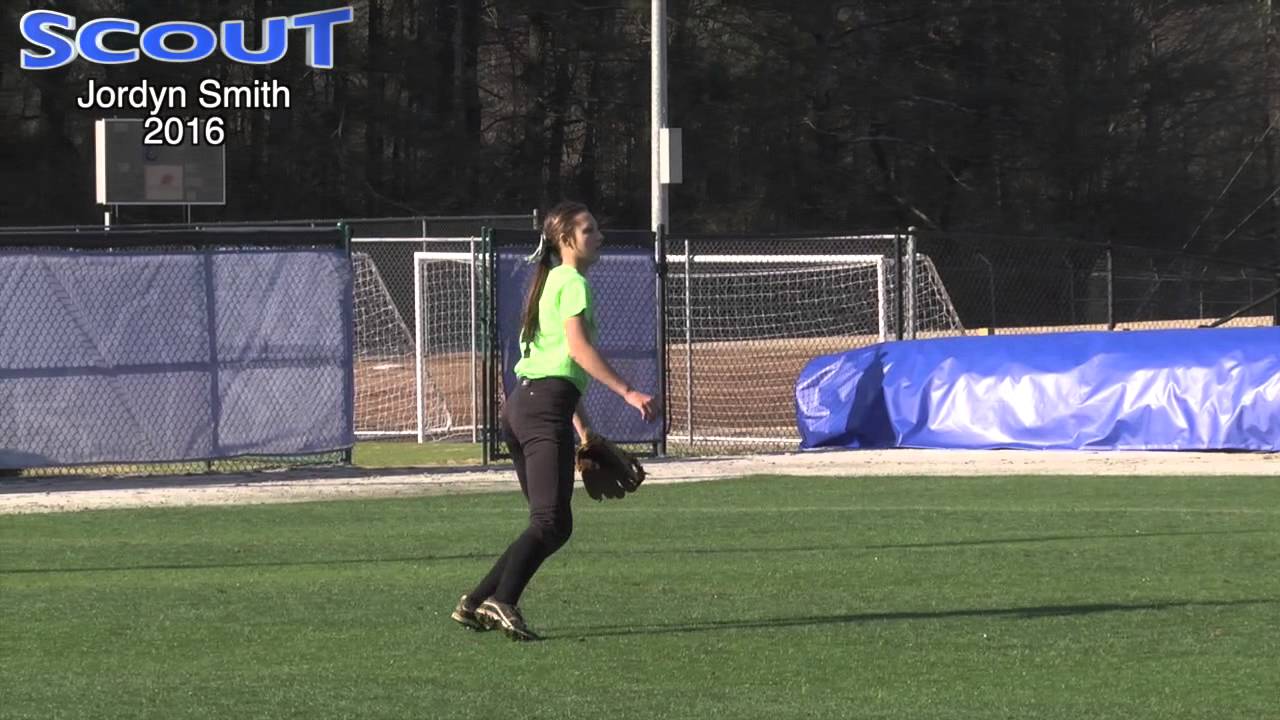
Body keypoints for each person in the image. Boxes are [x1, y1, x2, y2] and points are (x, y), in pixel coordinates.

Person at [451, 200, 657, 641]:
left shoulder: (550, 282)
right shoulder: (573, 282)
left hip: (526, 407)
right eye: (588, 231)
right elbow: (579, 352)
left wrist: (584, 433)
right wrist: (628, 392)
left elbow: (557, 365)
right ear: (566, 241)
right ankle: (502, 601)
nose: (598, 236)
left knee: (548, 523)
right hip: (542, 410)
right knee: (550, 523)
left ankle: (475, 601)